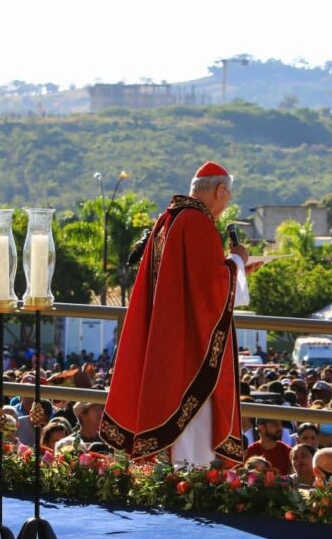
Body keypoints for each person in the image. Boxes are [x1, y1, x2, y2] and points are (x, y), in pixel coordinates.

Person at [99, 161, 249, 466]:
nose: (227, 203)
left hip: (168, 332)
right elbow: (212, 288)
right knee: (193, 428)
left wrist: (234, 268)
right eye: (228, 195)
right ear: (220, 190)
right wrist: (237, 261)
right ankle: (191, 485)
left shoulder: (168, 220)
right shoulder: (198, 223)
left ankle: (173, 479)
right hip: (188, 346)